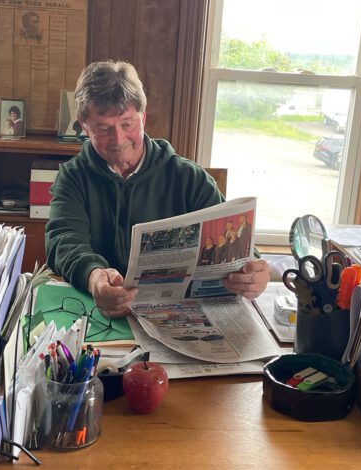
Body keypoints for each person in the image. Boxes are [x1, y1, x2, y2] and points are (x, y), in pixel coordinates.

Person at [45, 60, 269, 317]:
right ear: (85, 127)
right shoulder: (72, 177)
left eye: (127, 124)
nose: (118, 140)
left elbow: (237, 246)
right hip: (102, 314)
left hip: (178, 314)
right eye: (104, 129)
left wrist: (252, 270)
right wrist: (94, 277)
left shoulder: (189, 178)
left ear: (143, 117)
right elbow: (63, 240)